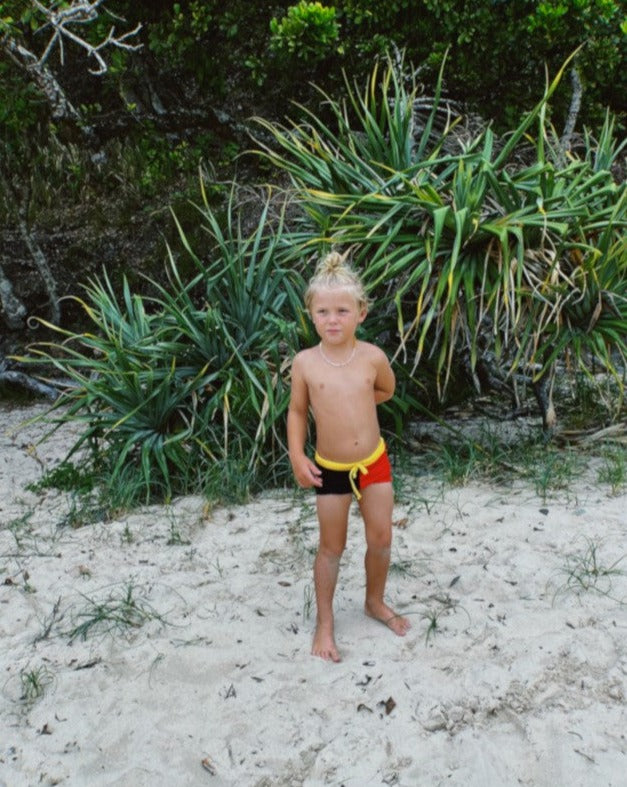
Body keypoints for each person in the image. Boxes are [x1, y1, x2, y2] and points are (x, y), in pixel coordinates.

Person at [287, 250, 410, 662]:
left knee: (381, 537)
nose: (333, 319)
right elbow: (298, 411)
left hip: (374, 462)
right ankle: (325, 623)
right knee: (331, 546)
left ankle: (374, 601)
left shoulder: (372, 357)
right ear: (311, 315)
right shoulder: (305, 363)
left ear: (361, 313)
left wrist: (359, 406)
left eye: (342, 310)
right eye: (323, 311)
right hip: (331, 470)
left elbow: (386, 390)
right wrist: (296, 455)